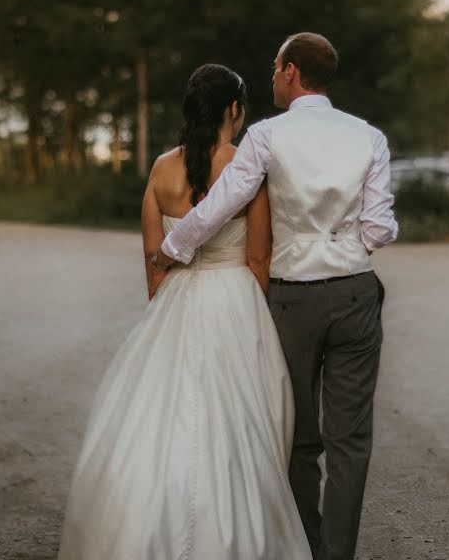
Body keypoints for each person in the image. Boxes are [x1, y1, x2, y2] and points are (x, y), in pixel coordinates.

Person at [156, 33, 399, 560]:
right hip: (355, 291)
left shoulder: (267, 136)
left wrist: (173, 245)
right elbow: (380, 229)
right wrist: (345, 244)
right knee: (351, 441)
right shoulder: (369, 137)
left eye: (273, 69)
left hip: (294, 300)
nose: (270, 78)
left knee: (298, 436)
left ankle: (305, 547)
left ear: (291, 72)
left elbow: (223, 203)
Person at [57, 63, 312, 560]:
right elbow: (259, 257)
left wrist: (169, 313)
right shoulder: (246, 166)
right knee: (244, 423)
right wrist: (255, 320)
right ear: (233, 111)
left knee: (162, 423)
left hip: (177, 298)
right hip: (236, 298)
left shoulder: (160, 170)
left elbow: (154, 263)